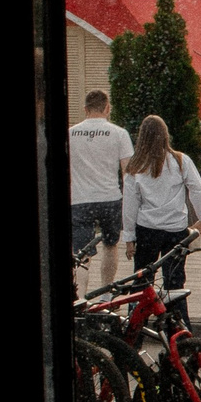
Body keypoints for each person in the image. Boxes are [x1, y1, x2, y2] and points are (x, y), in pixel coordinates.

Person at [118, 115, 201, 322]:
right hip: (175, 229)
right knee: (175, 282)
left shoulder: (135, 166)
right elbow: (197, 190)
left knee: (142, 280)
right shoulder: (180, 161)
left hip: (147, 229)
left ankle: (136, 326)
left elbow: (130, 204)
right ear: (165, 135)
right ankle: (179, 327)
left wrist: (129, 237)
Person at [67, 89, 134, 292]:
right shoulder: (119, 134)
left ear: (85, 109)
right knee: (110, 245)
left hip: (80, 199)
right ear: (107, 108)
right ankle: (105, 294)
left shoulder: (70, 134)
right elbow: (128, 172)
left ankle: (81, 297)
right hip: (110, 198)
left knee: (81, 253)